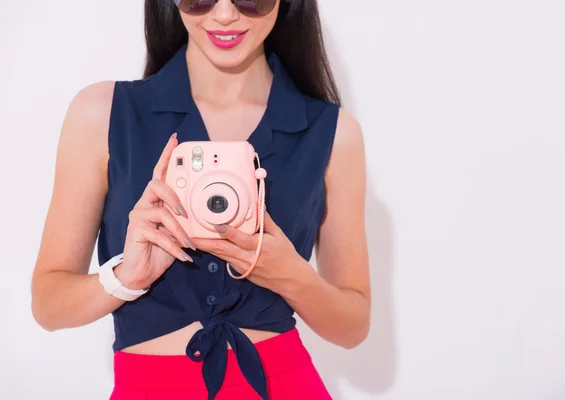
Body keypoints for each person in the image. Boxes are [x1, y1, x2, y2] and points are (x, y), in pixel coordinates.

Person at [31, 0, 371, 399]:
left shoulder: (333, 132)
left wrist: (288, 273)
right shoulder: (102, 113)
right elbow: (48, 305)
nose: (224, 15)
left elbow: (353, 327)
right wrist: (127, 278)